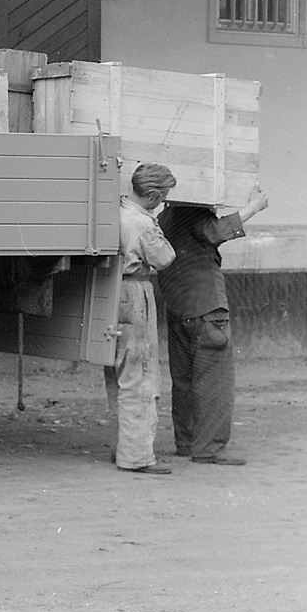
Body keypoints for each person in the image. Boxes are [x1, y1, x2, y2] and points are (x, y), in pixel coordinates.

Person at [160, 184, 269, 466]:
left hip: (177, 309)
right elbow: (215, 232)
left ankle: (186, 441)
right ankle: (208, 448)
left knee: (183, 381)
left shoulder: (165, 217)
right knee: (215, 381)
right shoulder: (195, 214)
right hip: (208, 309)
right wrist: (253, 207)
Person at [108, 163, 178, 474]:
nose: (163, 203)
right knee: (141, 376)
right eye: (162, 198)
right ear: (152, 196)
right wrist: (154, 223)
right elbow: (164, 258)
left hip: (110, 292)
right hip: (135, 293)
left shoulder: (116, 211)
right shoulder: (142, 222)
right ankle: (136, 457)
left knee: (118, 375)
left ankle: (123, 447)